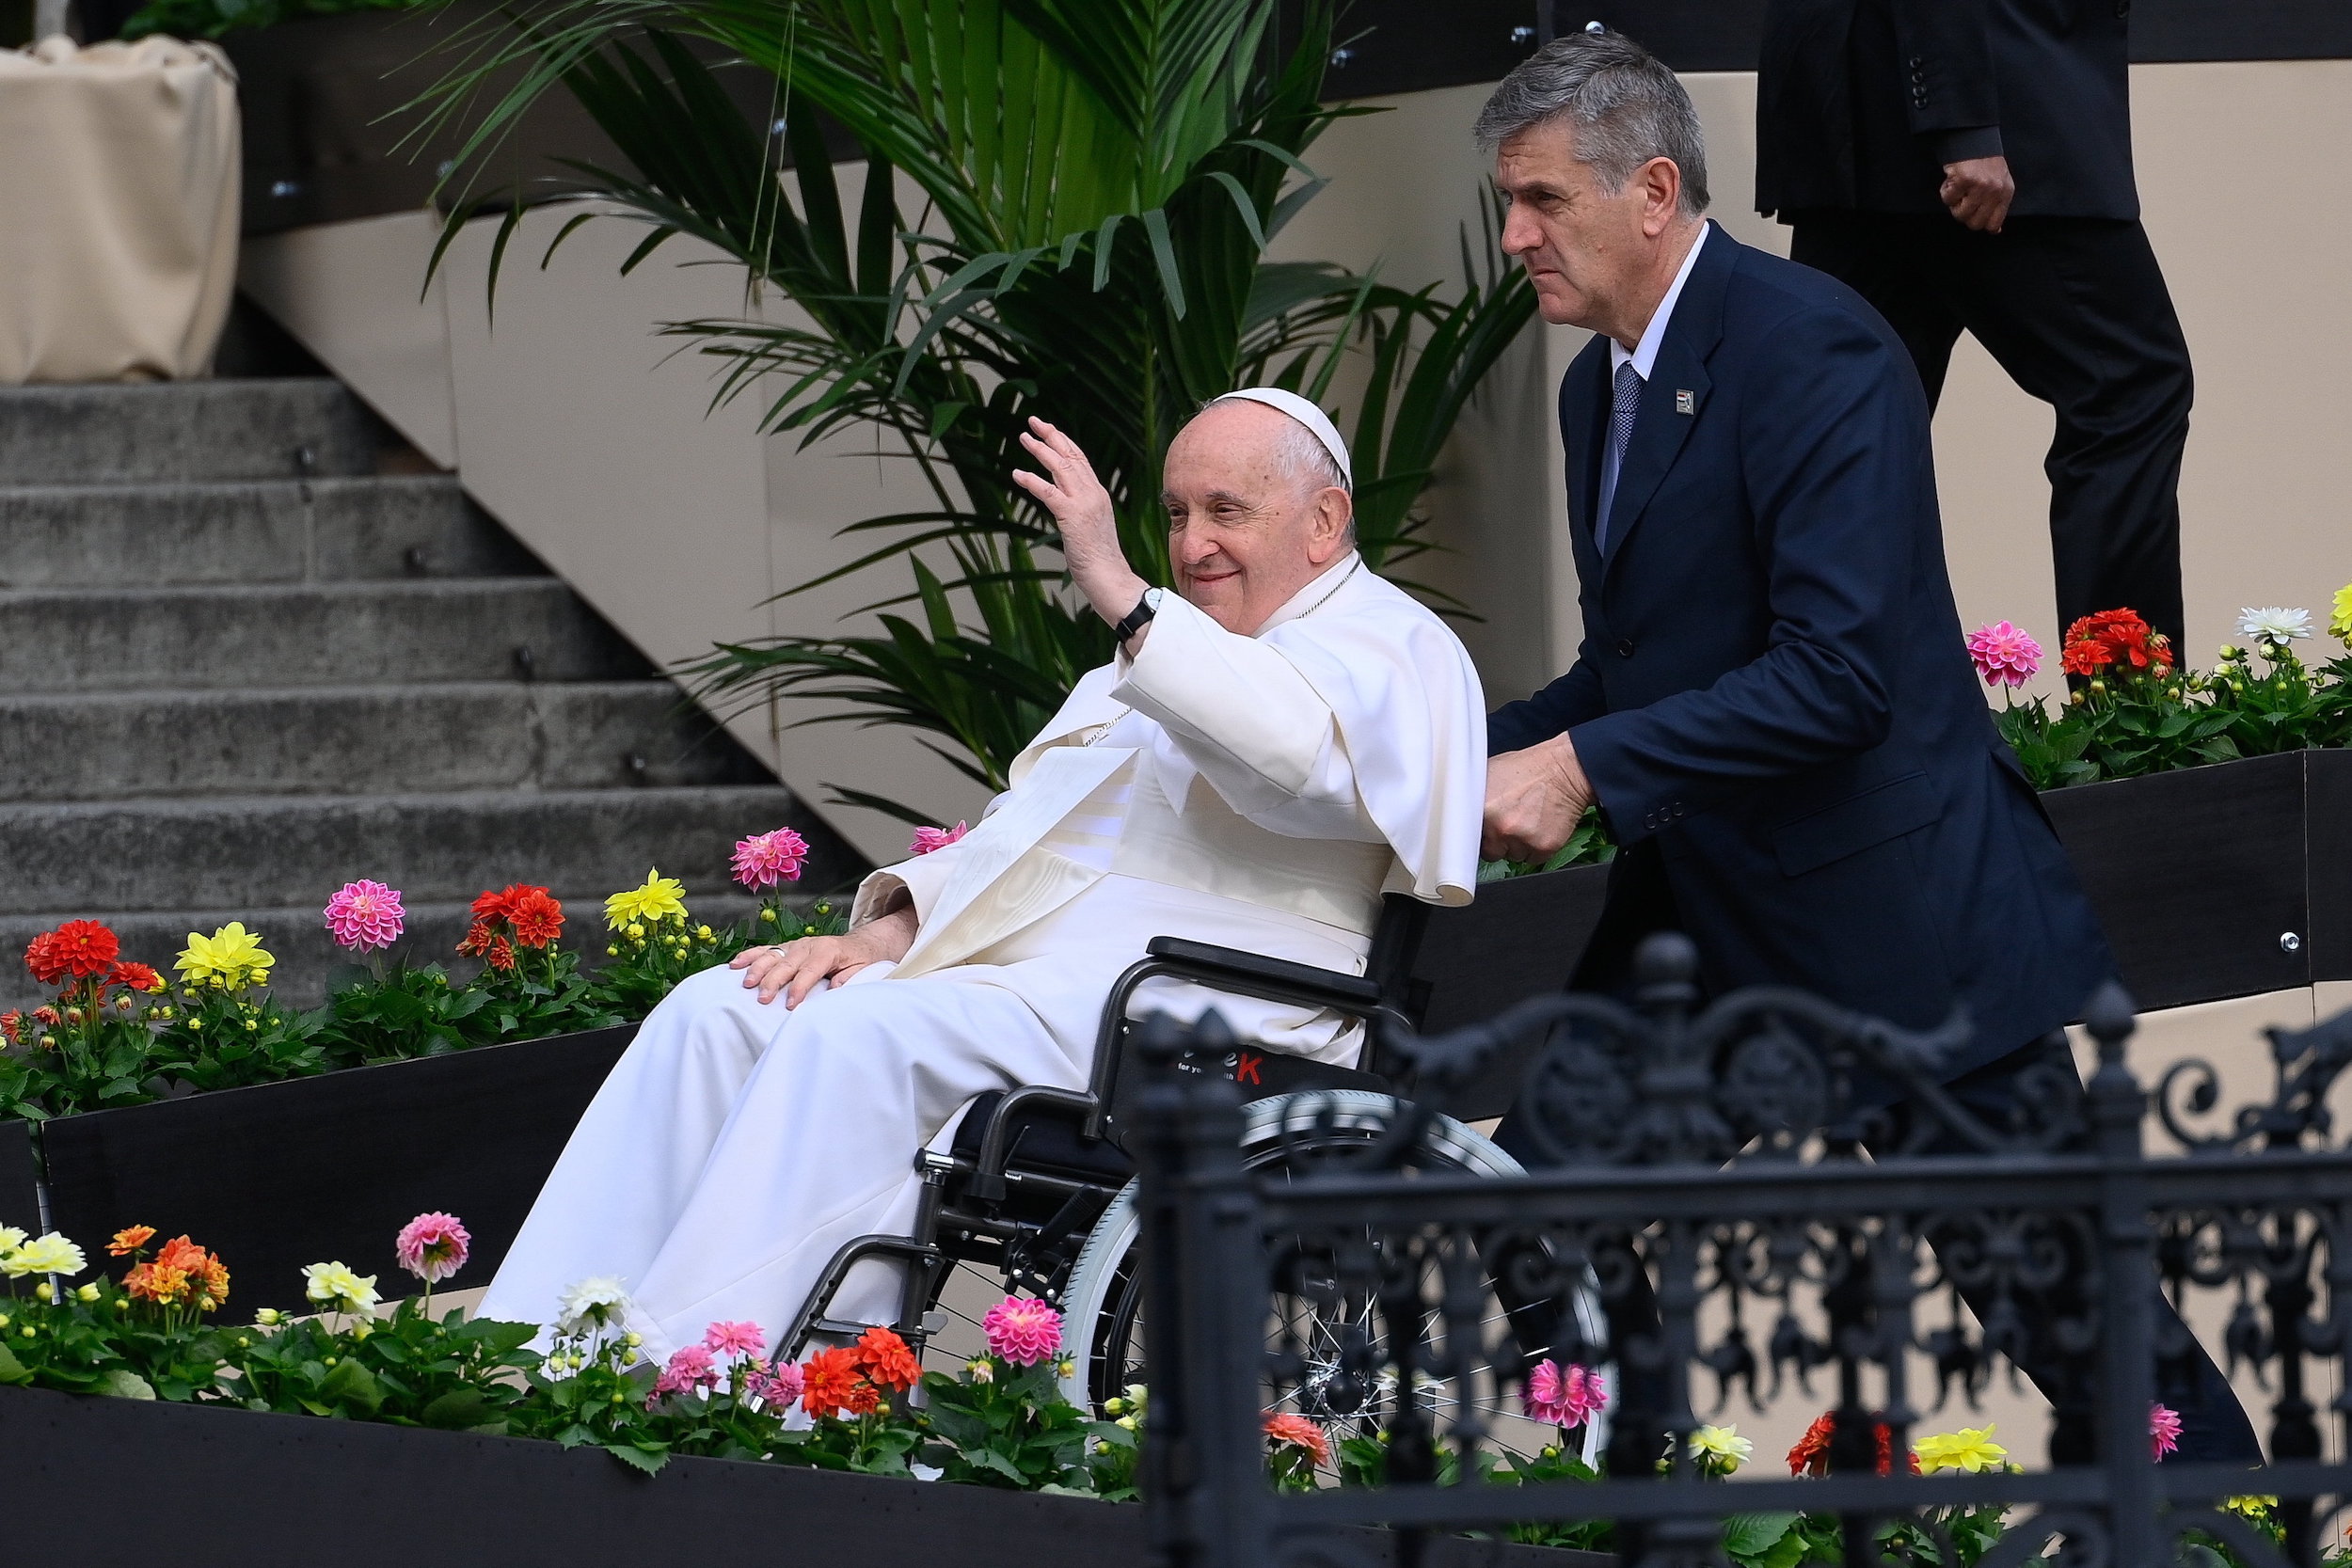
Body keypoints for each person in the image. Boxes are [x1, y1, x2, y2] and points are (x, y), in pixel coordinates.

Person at [1473, 31, 2257, 1464]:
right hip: (1713, 920)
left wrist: (1575, 769)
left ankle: (2234, 1536)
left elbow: (1838, 678)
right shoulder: (1599, 393)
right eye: (1508, 203)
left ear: (1653, 190)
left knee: (2085, 1338)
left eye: (1540, 200)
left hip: (1904, 926)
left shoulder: (1814, 344)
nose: (1515, 235)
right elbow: (1631, 666)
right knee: (1534, 1203)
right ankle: (1650, 1500)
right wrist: (1437, 753)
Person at [478, 389, 1486, 1358]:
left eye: (1226, 510)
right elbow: (1026, 838)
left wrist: (1122, 592)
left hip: (1212, 1001)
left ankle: (727, 1371)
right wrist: (879, 936)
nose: (1190, 545)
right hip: (1055, 984)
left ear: (1324, 520)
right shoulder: (1164, 653)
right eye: (1178, 513)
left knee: (856, 1035)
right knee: (729, 1007)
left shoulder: (1395, 643)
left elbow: (1290, 757)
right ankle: (555, 1344)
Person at [1756, 0, 2191, 651]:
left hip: (1856, 107)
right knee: (2130, 390)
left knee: (1851, 436)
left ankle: (1818, 697)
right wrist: (1961, 125)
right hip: (1974, 97)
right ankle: (2124, 701)